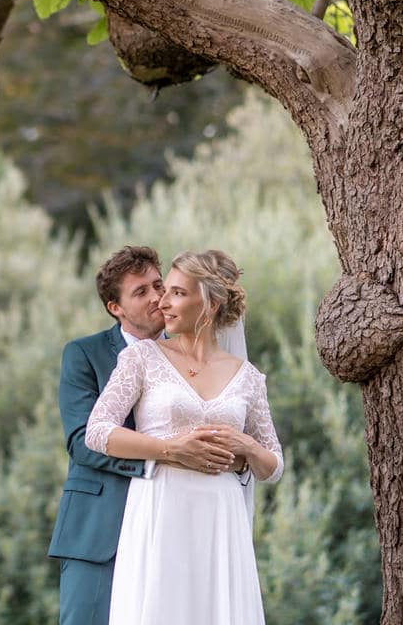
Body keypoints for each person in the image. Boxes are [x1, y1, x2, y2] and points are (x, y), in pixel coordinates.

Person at [85, 249, 283, 625]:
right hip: (162, 508)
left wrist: (246, 446)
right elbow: (97, 432)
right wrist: (169, 449)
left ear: (209, 303)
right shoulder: (142, 358)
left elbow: (273, 465)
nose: (162, 301)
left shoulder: (248, 377)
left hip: (222, 519)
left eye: (176, 292)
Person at [48, 246, 245, 625]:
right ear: (115, 308)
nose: (157, 298)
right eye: (141, 292)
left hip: (178, 529)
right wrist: (167, 455)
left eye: (160, 285)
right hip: (100, 534)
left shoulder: (206, 361)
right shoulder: (83, 354)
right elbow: (80, 441)